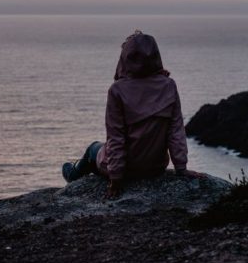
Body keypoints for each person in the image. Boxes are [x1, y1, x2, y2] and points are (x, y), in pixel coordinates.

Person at [62, 30, 204, 198]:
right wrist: (181, 168)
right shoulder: (169, 86)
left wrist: (115, 180)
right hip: (155, 167)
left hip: (127, 170)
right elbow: (176, 131)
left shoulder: (117, 90)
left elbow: (116, 138)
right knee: (102, 149)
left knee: (93, 148)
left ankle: (73, 176)